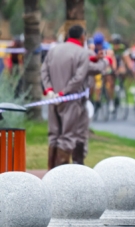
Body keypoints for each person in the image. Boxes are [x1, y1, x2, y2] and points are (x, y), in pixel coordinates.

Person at [41, 25, 90, 170]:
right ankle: (61, 174)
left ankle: (51, 170)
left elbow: (44, 70)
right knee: (68, 136)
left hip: (53, 98)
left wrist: (50, 90)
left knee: (53, 135)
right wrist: (64, 93)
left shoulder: (53, 50)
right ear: (82, 37)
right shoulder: (82, 53)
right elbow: (79, 78)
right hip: (71, 100)